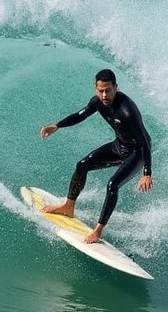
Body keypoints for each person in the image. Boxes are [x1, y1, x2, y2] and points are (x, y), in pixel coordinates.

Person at [39, 69, 153, 244]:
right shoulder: (98, 102)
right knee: (82, 164)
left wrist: (147, 173)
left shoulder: (127, 110)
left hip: (138, 153)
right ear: (96, 89)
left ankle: (98, 231)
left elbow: (144, 142)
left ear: (116, 87)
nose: (104, 95)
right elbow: (80, 115)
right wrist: (57, 125)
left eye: (108, 90)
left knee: (112, 184)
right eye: (101, 90)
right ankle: (68, 206)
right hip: (119, 146)